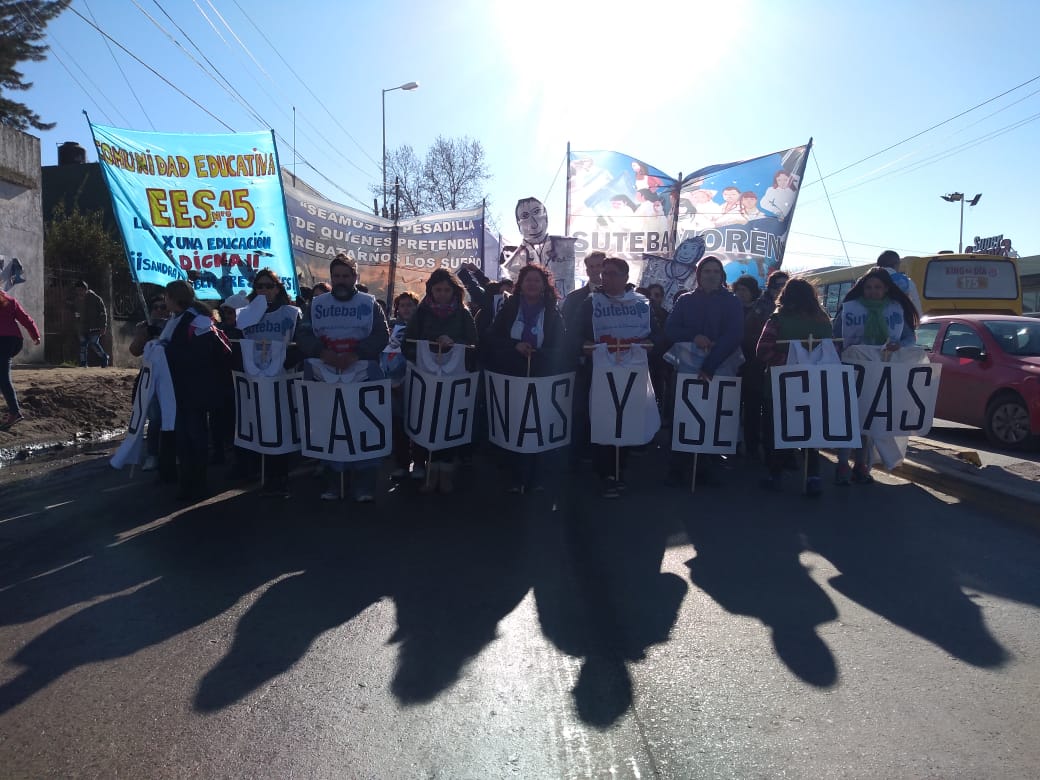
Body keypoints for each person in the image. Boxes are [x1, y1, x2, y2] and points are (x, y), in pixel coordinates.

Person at [300, 254, 390, 503]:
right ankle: (333, 482)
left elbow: (381, 335)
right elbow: (304, 335)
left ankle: (364, 484)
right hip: (325, 372)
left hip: (361, 373)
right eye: (336, 276)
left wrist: (355, 354)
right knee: (330, 426)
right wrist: (323, 353)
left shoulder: (370, 304)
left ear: (354, 277)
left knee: (363, 427)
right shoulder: (316, 304)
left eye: (345, 275)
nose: (341, 280)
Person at [579, 256, 662, 498]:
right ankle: (606, 472)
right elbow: (573, 332)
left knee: (626, 419)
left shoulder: (642, 304)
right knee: (604, 418)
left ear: (626, 277)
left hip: (631, 371)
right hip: (601, 371)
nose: (606, 277)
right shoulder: (590, 303)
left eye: (612, 273)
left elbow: (658, 335)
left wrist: (651, 343)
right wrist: (582, 344)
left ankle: (619, 469)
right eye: (604, 273)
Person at [832, 267, 920, 485]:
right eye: (868, 287)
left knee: (870, 421)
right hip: (852, 370)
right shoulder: (849, 309)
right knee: (850, 419)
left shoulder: (896, 310)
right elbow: (834, 335)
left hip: (881, 371)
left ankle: (862, 465)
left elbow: (910, 338)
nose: (872, 291)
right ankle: (843, 464)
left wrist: (899, 345)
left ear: (886, 289)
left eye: (877, 287)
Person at [486, 264, 569, 492]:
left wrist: (539, 353)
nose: (532, 284)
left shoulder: (553, 312)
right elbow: (492, 338)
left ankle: (537, 476)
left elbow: (562, 347)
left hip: (541, 378)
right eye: (528, 280)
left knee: (538, 425)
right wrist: (515, 346)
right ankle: (516, 476)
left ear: (544, 286)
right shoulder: (509, 308)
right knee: (515, 424)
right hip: (511, 376)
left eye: (537, 280)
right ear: (520, 285)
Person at [665, 255, 744, 485]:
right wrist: (693, 337)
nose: (711, 275)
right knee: (683, 414)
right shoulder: (685, 301)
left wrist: (709, 365)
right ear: (699, 275)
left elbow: (734, 335)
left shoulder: (732, 302)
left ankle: (706, 465)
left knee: (712, 414)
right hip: (687, 370)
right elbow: (671, 329)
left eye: (716, 271)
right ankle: (679, 465)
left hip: (719, 366)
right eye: (706, 271)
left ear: (722, 276)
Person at [755, 279, 834, 496]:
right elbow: (832, 352)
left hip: (778, 386)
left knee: (775, 432)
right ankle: (813, 476)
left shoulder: (777, 320)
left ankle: (775, 475)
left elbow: (762, 351)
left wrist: (788, 360)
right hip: (812, 387)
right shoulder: (823, 321)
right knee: (810, 432)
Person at [403, 268, 478, 494]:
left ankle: (445, 473)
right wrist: (428, 348)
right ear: (430, 290)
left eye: (447, 290)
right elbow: (407, 344)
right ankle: (429, 472)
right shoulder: (422, 313)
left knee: (448, 423)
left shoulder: (463, 314)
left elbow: (473, 344)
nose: (442, 294)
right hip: (426, 379)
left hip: (453, 379)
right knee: (427, 423)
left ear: (454, 291)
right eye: (438, 290)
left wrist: (453, 342)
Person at [161, 280, 232, 501]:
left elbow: (203, 354)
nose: (164, 301)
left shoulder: (198, 321)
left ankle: (197, 483)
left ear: (174, 297)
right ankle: (187, 482)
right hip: (181, 388)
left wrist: (169, 353)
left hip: (196, 389)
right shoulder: (177, 319)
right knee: (183, 438)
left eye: (166, 297)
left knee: (195, 436)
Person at [233, 270, 302, 496]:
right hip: (254, 378)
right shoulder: (244, 314)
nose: (263, 290)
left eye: (268, 286)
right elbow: (237, 343)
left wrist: (282, 361)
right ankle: (254, 473)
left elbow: (299, 344)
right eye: (259, 286)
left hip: (280, 378)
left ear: (278, 288)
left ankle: (280, 476)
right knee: (256, 424)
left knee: (279, 427)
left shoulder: (291, 313)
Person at [561, 251, 606, 465]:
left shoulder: (622, 296)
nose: (597, 270)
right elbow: (566, 330)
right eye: (593, 266)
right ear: (586, 270)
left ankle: (602, 454)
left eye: (601, 266)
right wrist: (581, 345)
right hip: (583, 364)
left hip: (613, 364)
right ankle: (579, 453)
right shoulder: (574, 298)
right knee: (580, 408)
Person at [128, 295, 172, 471]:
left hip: (170, 378)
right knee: (155, 419)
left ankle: (170, 454)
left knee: (170, 418)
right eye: (156, 307)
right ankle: (153, 455)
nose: (160, 310)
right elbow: (134, 350)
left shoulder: (173, 325)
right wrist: (144, 336)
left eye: (163, 307)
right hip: (150, 378)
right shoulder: (144, 326)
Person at [731, 274, 767, 459]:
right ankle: (732, 444)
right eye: (737, 290)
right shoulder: (730, 309)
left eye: (744, 290)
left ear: (752, 292)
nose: (740, 293)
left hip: (753, 367)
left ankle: (752, 447)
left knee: (752, 410)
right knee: (731, 408)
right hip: (733, 366)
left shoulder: (762, 310)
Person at [385, 290, 419, 479]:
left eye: (409, 305)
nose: (406, 309)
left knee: (418, 420)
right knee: (399, 423)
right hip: (397, 380)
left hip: (417, 377)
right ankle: (402, 463)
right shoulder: (391, 328)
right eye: (402, 305)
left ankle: (420, 463)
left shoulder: (422, 326)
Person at [0, 289, 41, 429]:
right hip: (14, 340)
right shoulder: (11, 301)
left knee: (3, 378)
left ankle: (15, 411)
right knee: (2, 375)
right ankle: (13, 410)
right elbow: (25, 318)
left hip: (3, 341)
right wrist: (35, 335)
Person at [72, 280, 109, 368]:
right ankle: (83, 363)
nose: (79, 293)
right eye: (77, 290)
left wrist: (103, 326)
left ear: (86, 289)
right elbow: (77, 314)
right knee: (83, 345)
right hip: (82, 327)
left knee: (93, 343)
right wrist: (78, 327)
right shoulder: (77, 301)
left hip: (95, 326)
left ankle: (104, 357)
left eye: (81, 290)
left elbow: (103, 313)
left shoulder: (95, 298)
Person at [876, 250, 923, 316]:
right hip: (900, 322)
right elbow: (916, 309)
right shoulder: (907, 282)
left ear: (878, 264)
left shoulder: (867, 281)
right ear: (897, 264)